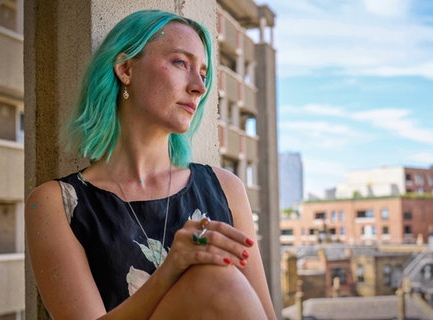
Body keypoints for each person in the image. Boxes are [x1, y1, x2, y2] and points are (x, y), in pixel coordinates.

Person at [25, 9, 276, 320]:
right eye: (181, 63)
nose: (199, 86)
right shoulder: (57, 203)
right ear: (126, 68)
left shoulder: (226, 189)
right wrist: (171, 270)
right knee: (214, 277)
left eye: (204, 72)